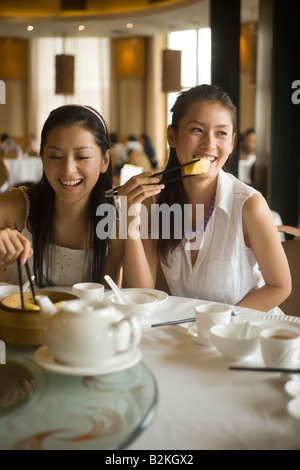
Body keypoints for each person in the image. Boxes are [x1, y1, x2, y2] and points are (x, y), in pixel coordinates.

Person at [119, 84, 291, 314]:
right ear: (172, 135)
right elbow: (142, 290)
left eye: (221, 133)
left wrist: (220, 322)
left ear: (231, 143)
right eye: (197, 130)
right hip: (192, 333)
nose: (209, 144)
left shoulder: (249, 205)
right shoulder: (156, 201)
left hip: (249, 330)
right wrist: (129, 212)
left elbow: (280, 286)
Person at [0, 105, 124, 287]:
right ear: (42, 157)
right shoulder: (14, 206)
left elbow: (115, 296)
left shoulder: (117, 219)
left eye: (81, 156)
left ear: (104, 160)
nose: (68, 169)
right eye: (56, 156)